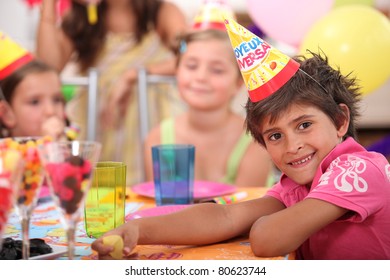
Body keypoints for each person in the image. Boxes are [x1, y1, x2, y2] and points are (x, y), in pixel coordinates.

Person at [91, 20, 390, 260]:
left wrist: (255, 224)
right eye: (275, 135)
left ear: (340, 121)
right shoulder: (296, 184)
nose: (292, 145)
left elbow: (266, 239)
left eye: (304, 125)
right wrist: (138, 230)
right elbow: (224, 217)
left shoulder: (359, 170)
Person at [36, 0, 188, 185]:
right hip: (98, 128)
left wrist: (134, 75)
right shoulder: (80, 18)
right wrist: (49, 7)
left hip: (150, 125)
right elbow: (47, 69)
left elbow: (189, 54)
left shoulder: (161, 12)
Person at [144, 29, 273, 187]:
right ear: (177, 72)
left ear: (239, 83)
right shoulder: (158, 139)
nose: (201, 77)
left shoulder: (255, 141)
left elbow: (248, 209)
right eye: (191, 66)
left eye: (217, 70)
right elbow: (163, 206)